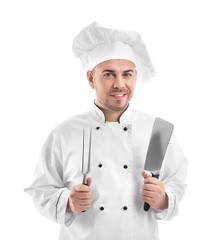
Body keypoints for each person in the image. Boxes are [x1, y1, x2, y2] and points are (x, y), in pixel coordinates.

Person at [25, 22, 188, 240]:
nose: (119, 84)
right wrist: (67, 202)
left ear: (135, 77)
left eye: (127, 74)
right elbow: (40, 190)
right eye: (109, 74)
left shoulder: (157, 131)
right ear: (91, 78)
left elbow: (177, 182)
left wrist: (164, 199)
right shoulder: (65, 132)